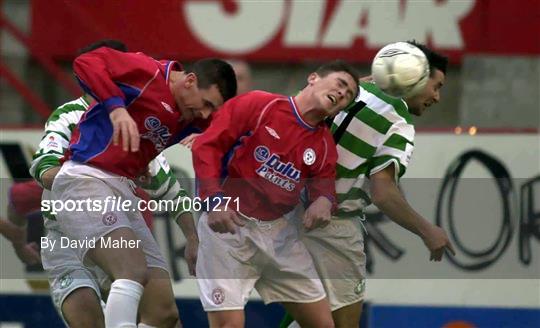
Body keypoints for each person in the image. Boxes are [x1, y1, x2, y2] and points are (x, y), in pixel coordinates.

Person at [48, 46, 236, 327]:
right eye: (207, 104)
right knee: (130, 271)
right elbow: (86, 61)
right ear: (190, 80)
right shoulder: (148, 72)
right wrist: (116, 109)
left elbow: (227, 135)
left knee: (163, 313)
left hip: (121, 191)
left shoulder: (191, 115)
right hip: (85, 181)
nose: (206, 114)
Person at [16, 39, 197, 327]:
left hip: (113, 226)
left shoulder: (142, 118)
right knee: (89, 319)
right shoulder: (68, 115)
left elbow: (170, 188)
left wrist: (193, 237)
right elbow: (42, 167)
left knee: (166, 316)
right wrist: (89, 173)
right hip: (64, 234)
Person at [281, 41, 456, 328]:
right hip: (333, 227)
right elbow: (383, 192)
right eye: (435, 85)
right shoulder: (398, 123)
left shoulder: (347, 89)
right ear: (413, 74)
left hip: (285, 212)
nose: (436, 97)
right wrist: (428, 230)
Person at [192, 60, 359, 328]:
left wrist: (324, 202)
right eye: (340, 84)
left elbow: (323, 186)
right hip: (230, 230)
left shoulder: (324, 144)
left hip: (280, 235)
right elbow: (206, 147)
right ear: (313, 78)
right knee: (228, 325)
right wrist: (213, 200)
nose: (342, 94)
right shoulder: (259, 104)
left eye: (348, 95)